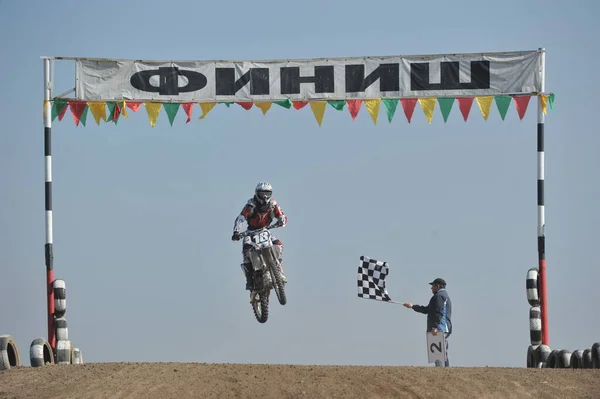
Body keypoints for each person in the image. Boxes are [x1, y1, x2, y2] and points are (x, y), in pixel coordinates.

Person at [231, 182, 288, 291]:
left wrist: (282, 220)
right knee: (246, 250)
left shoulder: (273, 204)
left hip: (265, 230)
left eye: (267, 193)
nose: (265, 196)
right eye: (262, 193)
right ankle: (249, 280)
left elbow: (281, 214)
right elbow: (240, 218)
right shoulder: (250, 205)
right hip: (250, 232)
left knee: (278, 244)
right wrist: (236, 232)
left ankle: (278, 269)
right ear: (257, 193)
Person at [403, 278, 452, 367]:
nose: (431, 288)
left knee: (438, 355)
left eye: (433, 286)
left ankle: (441, 375)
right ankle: (446, 375)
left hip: (439, 329)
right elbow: (427, 310)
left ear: (438, 286)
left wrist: (436, 327)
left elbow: (439, 312)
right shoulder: (443, 296)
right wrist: (413, 306)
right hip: (443, 328)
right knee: (443, 353)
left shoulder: (439, 296)